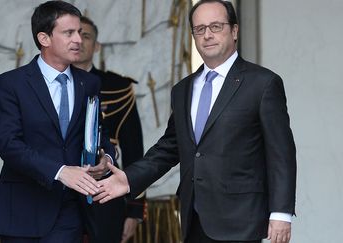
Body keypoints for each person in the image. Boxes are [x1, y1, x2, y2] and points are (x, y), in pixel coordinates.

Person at [93, 1, 297, 243]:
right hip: (194, 216)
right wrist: (128, 179)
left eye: (215, 26)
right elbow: (169, 148)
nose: (207, 35)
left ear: (234, 31)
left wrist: (281, 213)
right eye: (199, 29)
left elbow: (281, 153)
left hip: (241, 218)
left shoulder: (262, 84)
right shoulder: (183, 89)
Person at [0, 1, 115, 242]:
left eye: (79, 32)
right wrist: (60, 172)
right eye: (69, 33)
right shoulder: (11, 84)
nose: (78, 39)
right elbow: (9, 144)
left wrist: (105, 160)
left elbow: (99, 133)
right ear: (44, 38)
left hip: (70, 210)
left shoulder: (89, 83)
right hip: (22, 210)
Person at [73, 16, 146, 243]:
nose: (79, 40)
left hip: (105, 190)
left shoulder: (118, 87)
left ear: (96, 46)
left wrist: (134, 210)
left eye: (86, 36)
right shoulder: (47, 85)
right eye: (72, 33)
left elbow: (134, 151)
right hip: (58, 191)